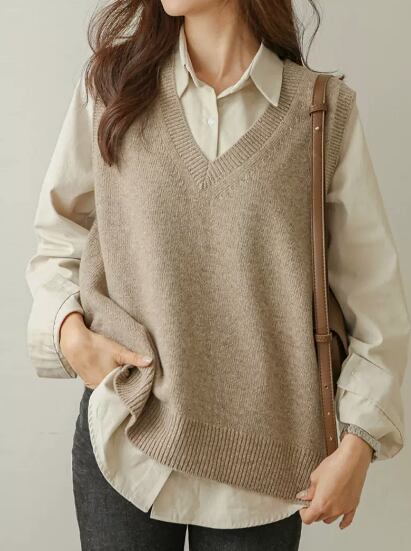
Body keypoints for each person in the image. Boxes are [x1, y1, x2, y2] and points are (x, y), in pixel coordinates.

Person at [25, 1, 410, 550]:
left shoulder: (320, 113)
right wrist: (69, 334)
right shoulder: (113, 86)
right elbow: (59, 236)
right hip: (126, 440)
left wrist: (359, 443)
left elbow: (375, 303)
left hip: (263, 470)